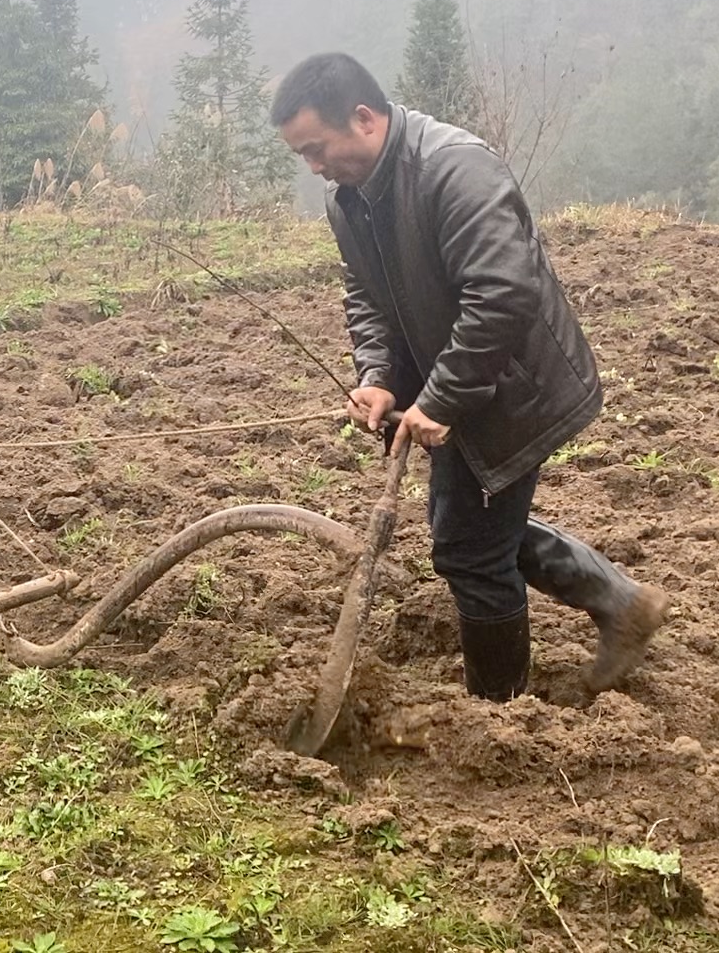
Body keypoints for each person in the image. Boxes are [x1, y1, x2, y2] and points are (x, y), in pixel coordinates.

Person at [270, 51, 668, 700]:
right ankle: (620, 602)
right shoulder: (350, 199)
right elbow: (368, 296)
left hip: (513, 387)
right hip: (462, 383)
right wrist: (378, 376)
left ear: (363, 118)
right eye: (302, 156)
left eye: (317, 148)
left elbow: (503, 293)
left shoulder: (455, 168)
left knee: (472, 552)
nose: (314, 166)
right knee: (468, 530)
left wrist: (443, 397)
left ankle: (499, 712)